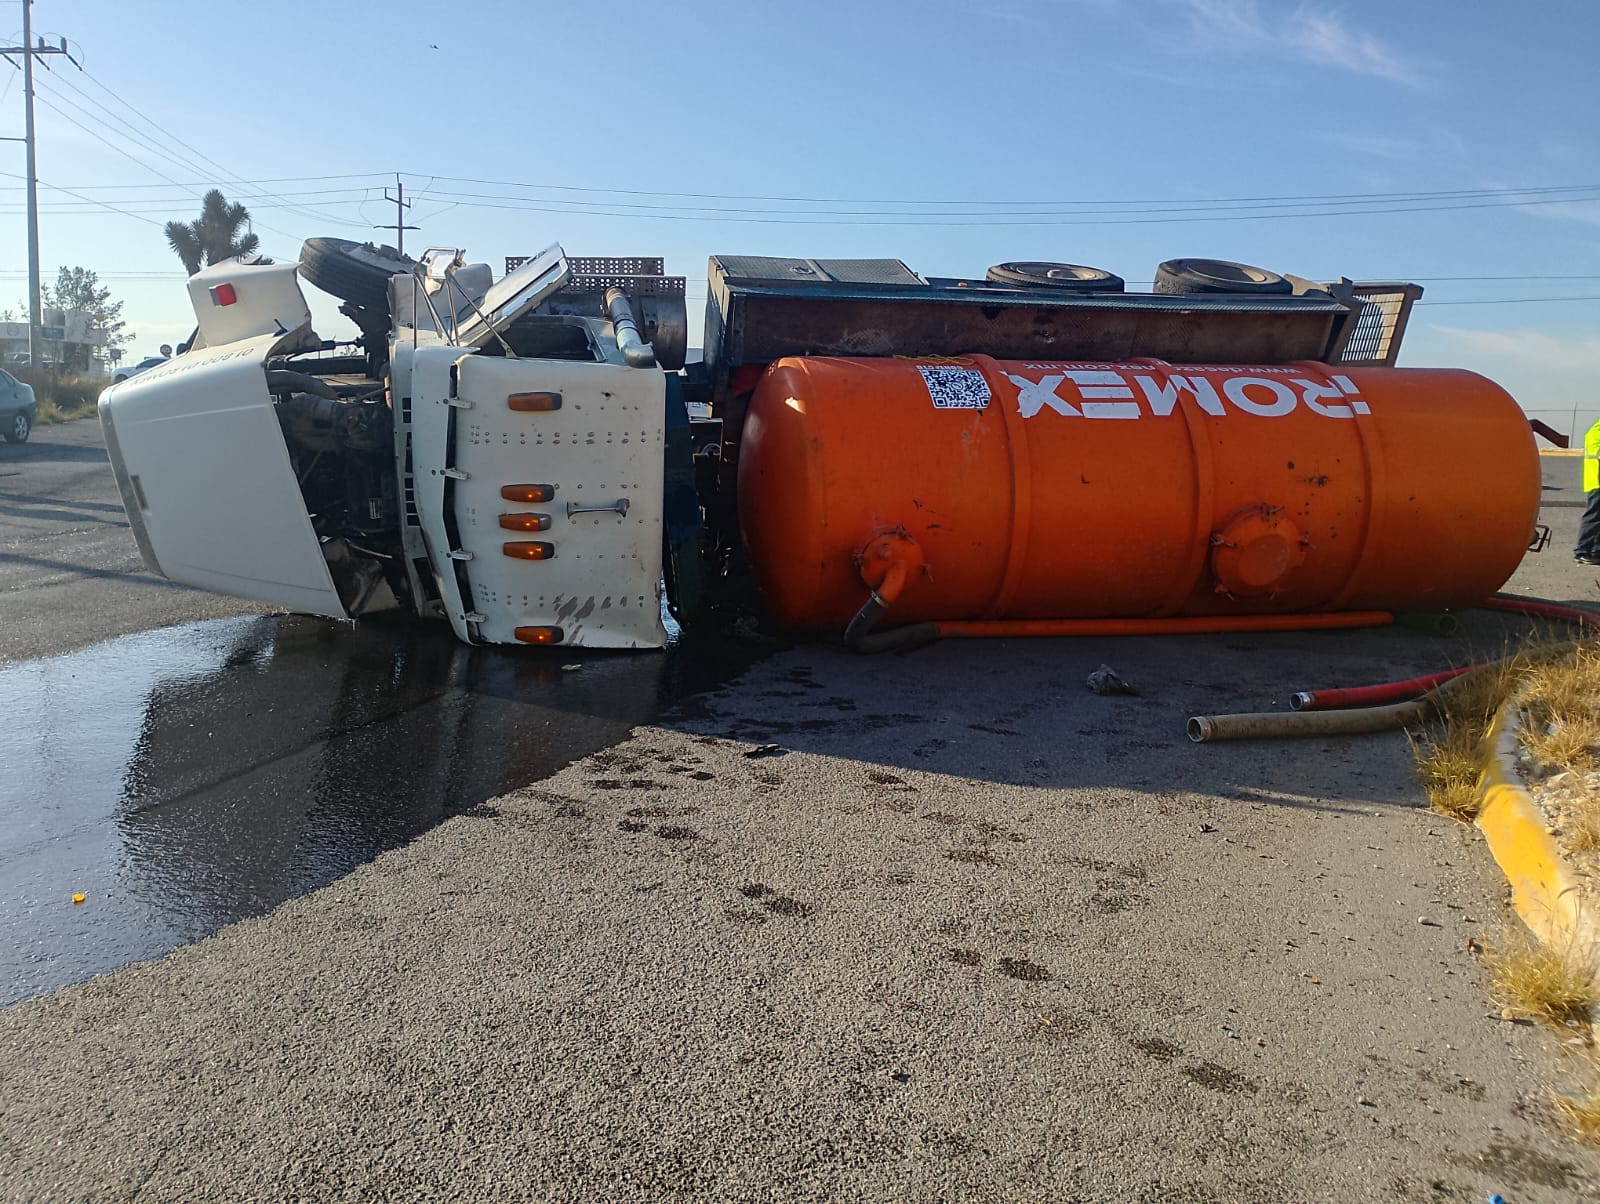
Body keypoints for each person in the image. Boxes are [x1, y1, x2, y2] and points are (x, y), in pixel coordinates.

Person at [1576, 416, 1600, 565]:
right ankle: (1582, 550)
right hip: (1597, 480)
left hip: (1594, 479)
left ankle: (1595, 550)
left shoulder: (1594, 430)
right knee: (1594, 516)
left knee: (1597, 516)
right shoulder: (1596, 433)